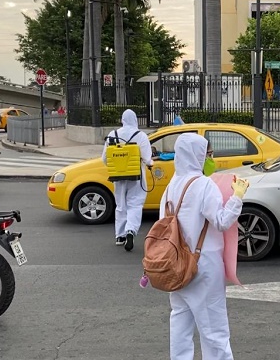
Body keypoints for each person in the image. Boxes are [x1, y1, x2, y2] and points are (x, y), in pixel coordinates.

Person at [163, 133, 249, 360]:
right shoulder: (204, 185)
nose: (210, 159)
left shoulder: (171, 185)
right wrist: (237, 196)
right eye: (208, 154)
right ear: (198, 155)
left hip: (176, 265)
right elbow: (221, 221)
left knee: (180, 322)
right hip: (204, 265)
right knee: (214, 329)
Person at [102, 109, 153, 251]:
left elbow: (105, 159)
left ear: (122, 120)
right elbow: (148, 159)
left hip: (118, 176)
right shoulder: (141, 136)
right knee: (135, 204)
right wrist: (149, 164)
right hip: (136, 176)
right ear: (135, 120)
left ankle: (120, 236)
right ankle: (131, 230)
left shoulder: (113, 135)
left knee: (120, 204)